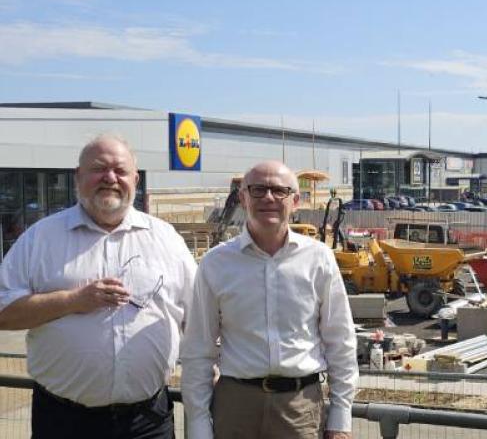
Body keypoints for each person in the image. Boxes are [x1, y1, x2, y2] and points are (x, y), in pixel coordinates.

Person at [0, 134, 197, 439]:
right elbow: (3, 312)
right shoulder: (40, 238)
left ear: (135, 178)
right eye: (98, 169)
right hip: (64, 422)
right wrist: (72, 300)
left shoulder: (166, 239)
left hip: (147, 422)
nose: (110, 178)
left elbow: (198, 315)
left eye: (120, 170)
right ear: (78, 176)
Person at [181, 161, 357, 439]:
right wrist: (199, 428)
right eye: (258, 189)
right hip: (235, 406)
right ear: (243, 198)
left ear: (296, 201)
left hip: (299, 408)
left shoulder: (319, 259)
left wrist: (340, 418)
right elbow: (198, 350)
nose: (268, 198)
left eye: (279, 190)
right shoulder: (216, 264)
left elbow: (341, 342)